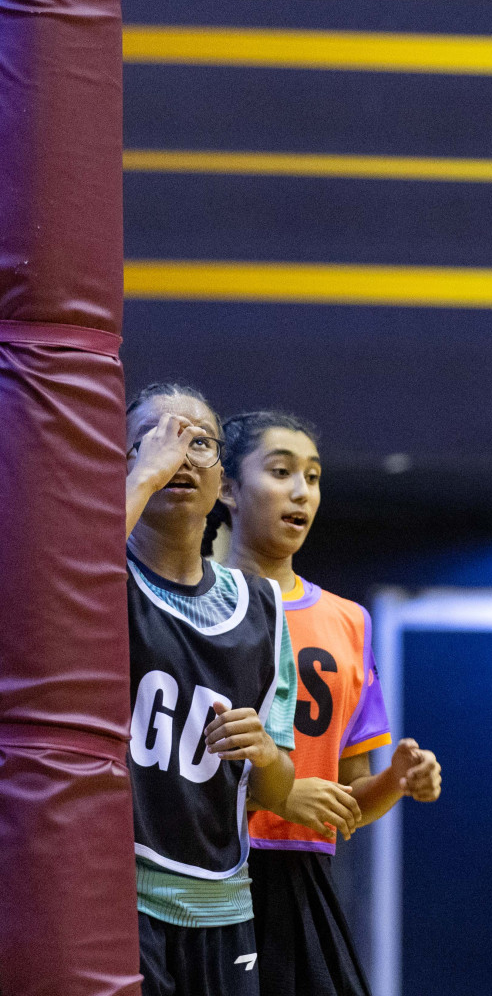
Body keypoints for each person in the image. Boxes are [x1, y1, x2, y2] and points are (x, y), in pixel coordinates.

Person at [214, 410, 443, 996]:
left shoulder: (348, 621)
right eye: (281, 471)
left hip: (302, 875)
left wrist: (395, 779)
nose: (301, 491)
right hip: (208, 872)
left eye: (312, 477)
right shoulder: (193, 607)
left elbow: (346, 805)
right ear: (228, 489)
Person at [125, 383, 298, 996]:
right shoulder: (97, 575)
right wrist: (139, 481)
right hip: (118, 899)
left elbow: (279, 789)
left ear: (223, 480)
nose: (177, 455)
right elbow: (66, 589)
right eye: (154, 439)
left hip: (222, 904)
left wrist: (266, 753)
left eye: (198, 442)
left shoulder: (262, 608)